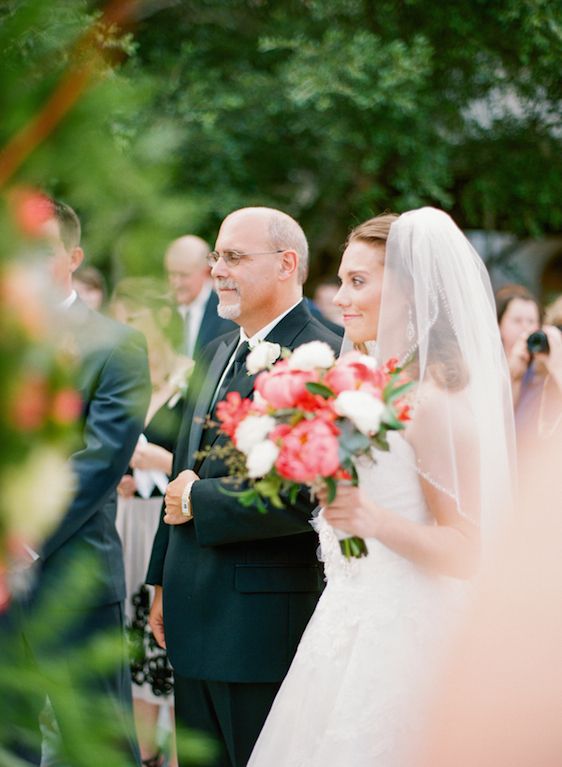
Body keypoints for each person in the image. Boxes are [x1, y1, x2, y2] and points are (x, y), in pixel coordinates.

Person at [247, 208, 515, 767]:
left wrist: (373, 520)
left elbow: (467, 550)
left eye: (358, 281)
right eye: (343, 280)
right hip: (343, 622)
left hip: (407, 638)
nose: (341, 297)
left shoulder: (435, 403)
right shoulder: (364, 387)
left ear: (413, 293)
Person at [146, 207, 342, 767]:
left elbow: (309, 496)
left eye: (233, 257)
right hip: (190, 610)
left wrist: (197, 501)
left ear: (287, 264)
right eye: (215, 256)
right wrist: (162, 578)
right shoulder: (212, 353)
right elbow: (183, 469)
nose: (217, 270)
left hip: (260, 622)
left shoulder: (323, 356)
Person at [2, 199, 151, 765]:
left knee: (99, 747)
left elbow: (98, 462)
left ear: (73, 257)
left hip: (73, 574)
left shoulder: (116, 345)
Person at [111, 278, 192, 767]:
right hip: (123, 522)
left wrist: (151, 463)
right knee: (132, 643)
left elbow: (193, 463)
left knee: (165, 637)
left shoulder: (190, 378)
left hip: (167, 519)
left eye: (133, 320)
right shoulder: (120, 376)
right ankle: (142, 752)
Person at [164, 234, 235, 358]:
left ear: (205, 272)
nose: (176, 283)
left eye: (183, 275)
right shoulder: (162, 311)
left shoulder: (226, 313)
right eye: (172, 274)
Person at [495, 283, 541, 405]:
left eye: (531, 321)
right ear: (499, 325)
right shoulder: (487, 364)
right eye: (517, 320)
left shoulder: (541, 370)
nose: (525, 327)